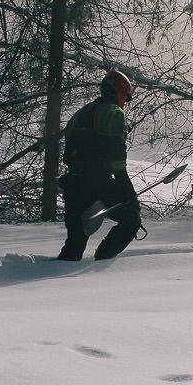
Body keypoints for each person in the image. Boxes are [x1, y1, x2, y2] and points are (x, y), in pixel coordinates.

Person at [57, 68, 142, 261]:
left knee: (75, 243)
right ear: (120, 92)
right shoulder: (113, 113)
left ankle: (53, 281)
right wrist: (128, 192)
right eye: (126, 98)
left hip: (73, 184)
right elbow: (117, 160)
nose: (126, 103)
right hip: (97, 184)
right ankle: (103, 259)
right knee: (131, 219)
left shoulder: (81, 113)